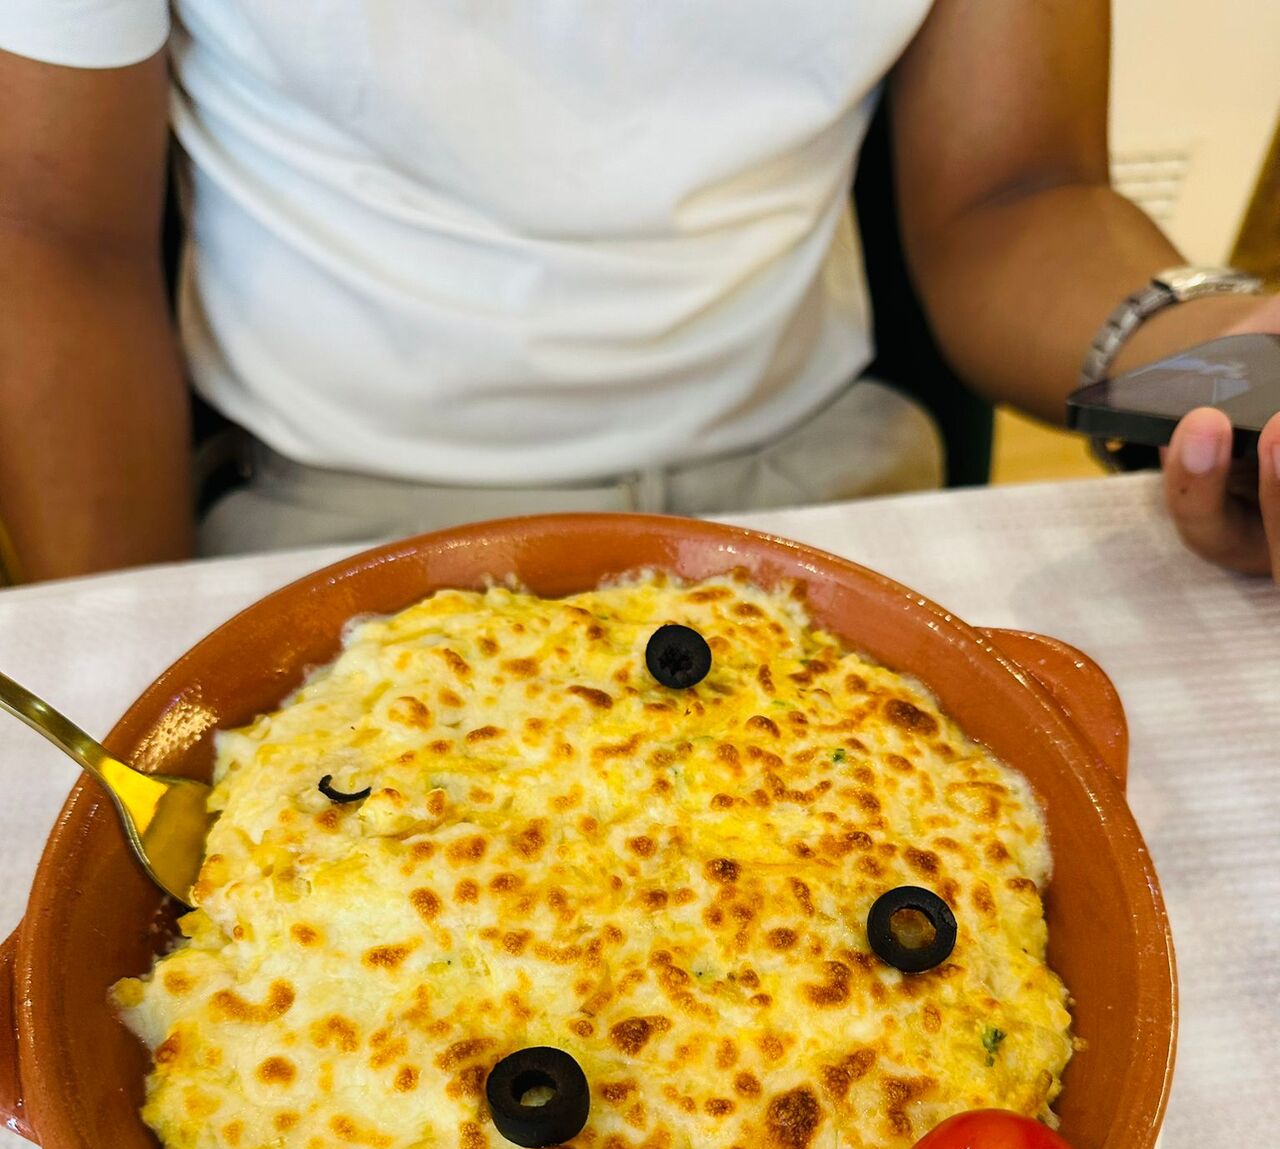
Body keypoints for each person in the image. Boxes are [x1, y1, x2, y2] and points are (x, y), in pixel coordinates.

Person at [0, 1, 1276, 584]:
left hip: (816, 490)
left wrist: (1225, 354)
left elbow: (1017, 190)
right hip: (329, 510)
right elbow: (55, 237)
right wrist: (132, 644)